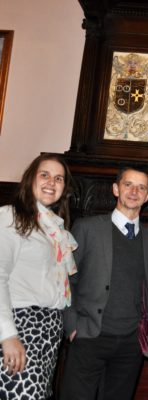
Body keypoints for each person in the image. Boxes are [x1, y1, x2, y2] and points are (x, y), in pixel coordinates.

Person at [60, 167, 148, 400]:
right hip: (88, 336)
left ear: (147, 196)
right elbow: (66, 279)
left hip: (131, 343)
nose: (134, 191)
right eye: (128, 184)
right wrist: (72, 326)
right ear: (116, 189)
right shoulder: (87, 228)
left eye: (141, 187)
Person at [0, 153, 77, 399]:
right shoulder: (10, 217)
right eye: (44, 175)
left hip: (50, 329)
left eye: (58, 178)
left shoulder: (56, 229)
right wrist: (8, 336)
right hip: (21, 325)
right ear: (30, 179)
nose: (51, 182)